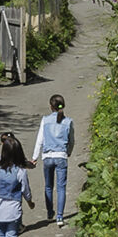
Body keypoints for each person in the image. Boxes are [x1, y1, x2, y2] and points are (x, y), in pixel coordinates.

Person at [35, 94, 74, 225]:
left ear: (51, 106)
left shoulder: (45, 120)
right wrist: (68, 152)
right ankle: (60, 216)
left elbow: (40, 140)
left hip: (47, 156)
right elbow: (71, 141)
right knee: (61, 187)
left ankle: (49, 211)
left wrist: (35, 158)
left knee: (48, 186)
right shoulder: (68, 121)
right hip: (61, 156)